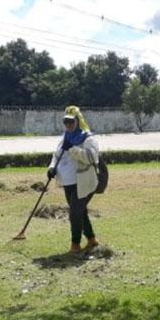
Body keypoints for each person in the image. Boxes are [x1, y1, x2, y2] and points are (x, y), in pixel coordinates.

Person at [47, 106, 101, 254]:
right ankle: (91, 239)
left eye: (71, 121)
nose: (68, 125)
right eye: (66, 122)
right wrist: (51, 168)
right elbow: (56, 156)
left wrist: (72, 148)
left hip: (83, 182)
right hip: (67, 182)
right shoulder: (64, 138)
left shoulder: (88, 138)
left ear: (78, 121)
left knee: (75, 213)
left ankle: (75, 244)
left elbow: (90, 157)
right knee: (80, 211)